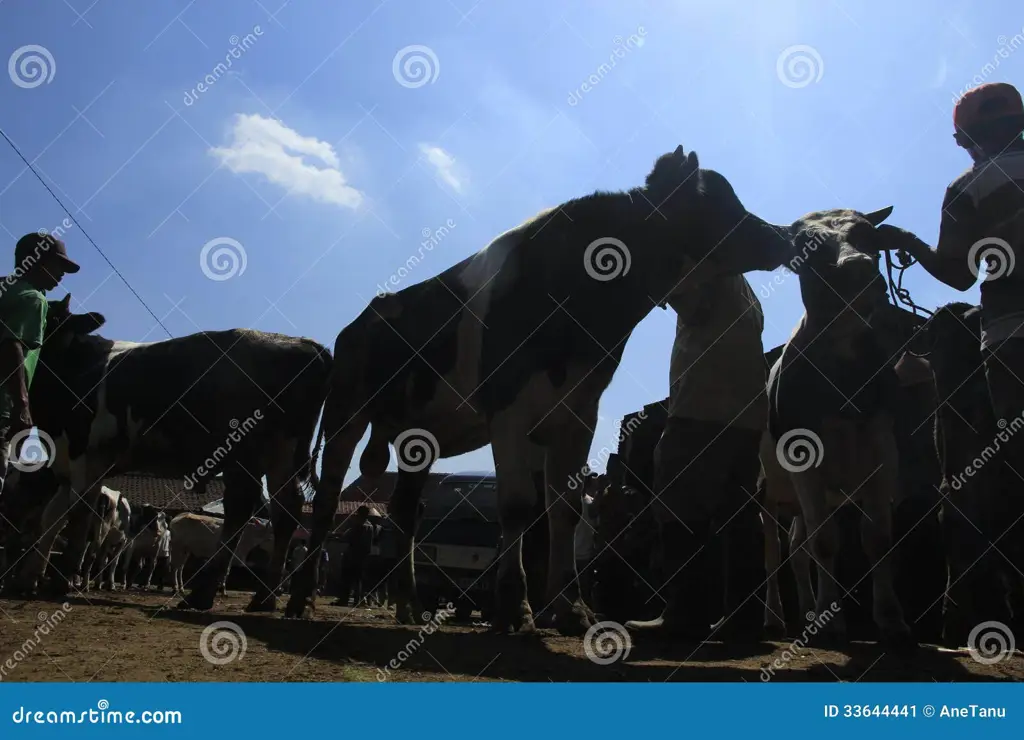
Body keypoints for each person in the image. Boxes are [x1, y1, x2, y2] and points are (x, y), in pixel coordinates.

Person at [877, 82, 1024, 584]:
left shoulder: (968, 188)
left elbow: (959, 274)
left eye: (961, 142)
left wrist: (904, 241)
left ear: (971, 138)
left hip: (1011, 336)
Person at [626, 275, 767, 641]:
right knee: (739, 513)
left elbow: (697, 308)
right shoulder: (742, 285)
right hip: (747, 414)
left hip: (701, 409)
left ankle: (685, 614)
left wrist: (664, 285)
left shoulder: (706, 262)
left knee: (678, 505)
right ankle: (745, 618)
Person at [0, 232, 79, 498]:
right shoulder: (34, 299)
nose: (62, 275)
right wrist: (22, 408)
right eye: (59, 266)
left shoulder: (9, 290)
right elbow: (12, 347)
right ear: (39, 262)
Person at [332, 505, 375, 607]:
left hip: (352, 555)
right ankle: (358, 601)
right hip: (363, 556)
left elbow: (348, 538)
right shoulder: (370, 526)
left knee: (346, 579)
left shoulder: (358, 525)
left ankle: (344, 600)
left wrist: (336, 536)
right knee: (358, 580)